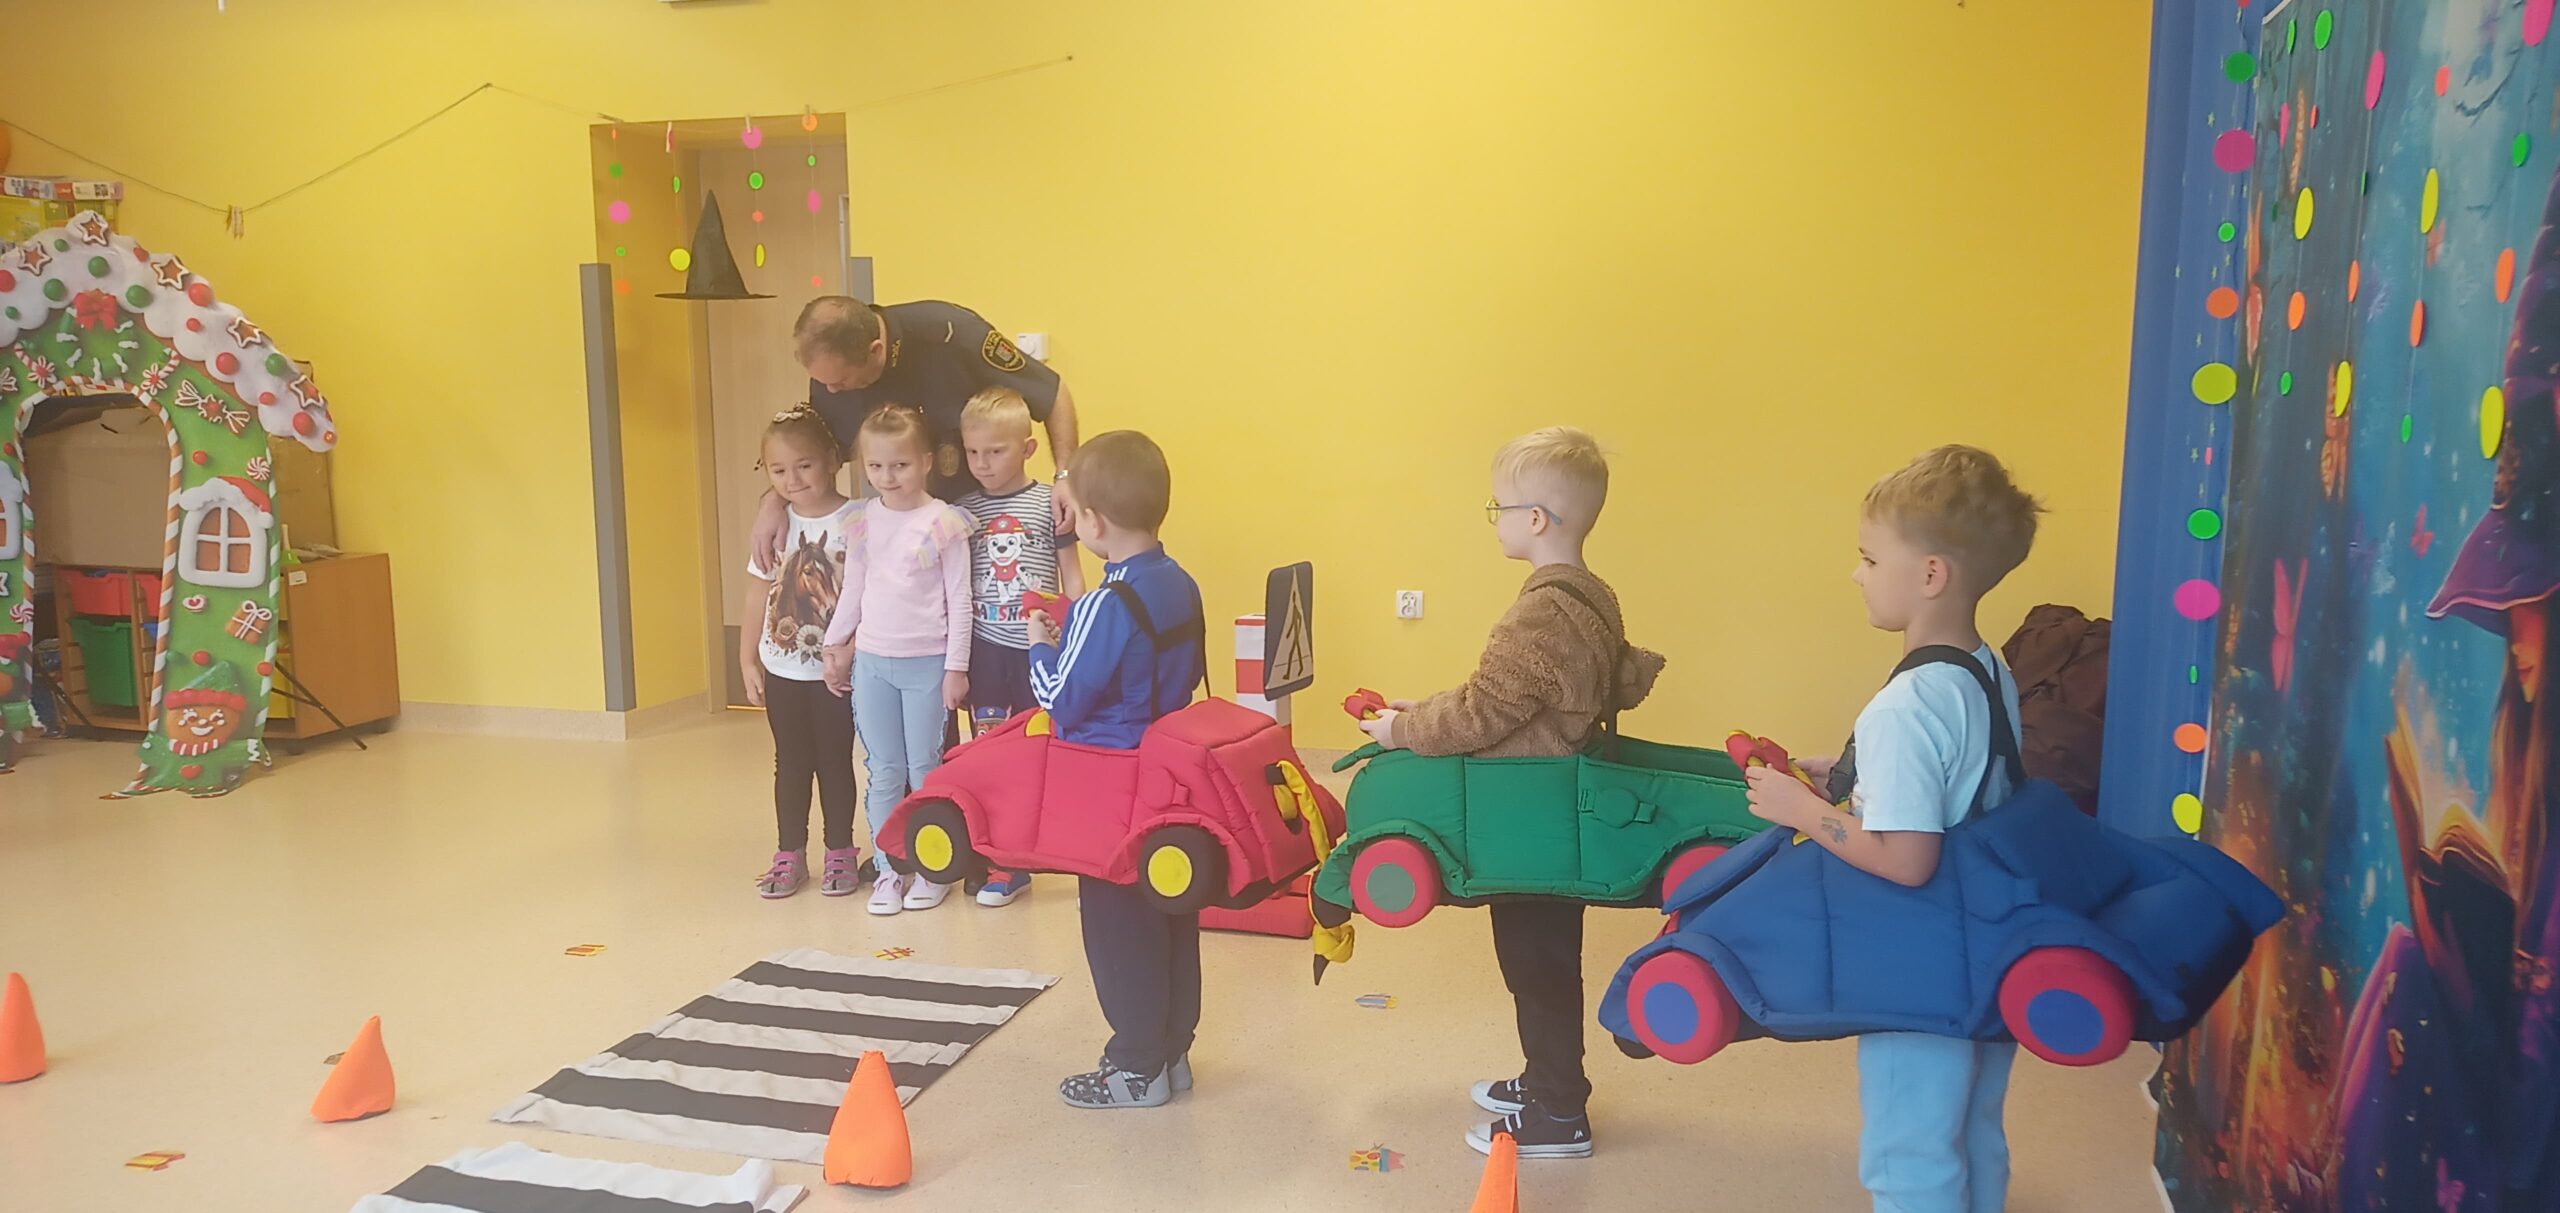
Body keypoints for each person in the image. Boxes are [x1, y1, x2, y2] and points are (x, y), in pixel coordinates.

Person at [1737, 444, 2040, 1213]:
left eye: (1870, 558)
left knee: (1908, 1150)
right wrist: (1851, 779)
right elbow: (1963, 782)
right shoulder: (1986, 668)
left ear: (1931, 574)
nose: (1856, 574)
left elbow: (1908, 860)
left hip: (1920, 963)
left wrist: (1806, 811)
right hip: (1988, 945)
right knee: (1973, 1129)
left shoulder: (1904, 707)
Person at [1356, 426, 1663, 1161]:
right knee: (1543, 956)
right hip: (1548, 809)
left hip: (1528, 818)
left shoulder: (1540, 612)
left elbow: (1480, 715)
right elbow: (1506, 697)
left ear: (1537, 519)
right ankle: (1547, 1079)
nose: (1493, 520)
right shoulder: (1588, 594)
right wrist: (1421, 709)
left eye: (1499, 508)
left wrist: (1403, 731)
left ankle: (1559, 1111)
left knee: (1536, 963)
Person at [1021, 431, 1207, 1109]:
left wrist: (1039, 645)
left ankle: (1134, 1067)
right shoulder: (1179, 581)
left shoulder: (1108, 601)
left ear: (1093, 522)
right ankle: (1171, 1052)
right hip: (1166, 775)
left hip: (1108, 787)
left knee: (1116, 927)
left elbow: (1061, 698)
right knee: (1169, 916)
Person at [758, 297, 1081, 568]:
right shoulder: (831, 374)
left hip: (980, 524)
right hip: (905, 537)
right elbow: (816, 455)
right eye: (823, 382)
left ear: (875, 350)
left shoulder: (951, 335)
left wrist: (1065, 476)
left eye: (841, 381)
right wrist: (774, 501)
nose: (831, 390)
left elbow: (1052, 395)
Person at [818, 406, 976, 917]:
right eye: (876, 466)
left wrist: (956, 668)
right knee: (883, 769)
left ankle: (933, 867)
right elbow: (854, 589)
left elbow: (960, 600)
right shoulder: (864, 520)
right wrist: (834, 645)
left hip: (927, 664)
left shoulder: (943, 523)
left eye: (901, 465)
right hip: (872, 662)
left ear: (926, 462)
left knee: (924, 767)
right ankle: (890, 869)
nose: (888, 477)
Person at [952, 386, 1087, 908]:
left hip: (1036, 652)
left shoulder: (1050, 503)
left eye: (996, 451)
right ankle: (1000, 857)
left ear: (1028, 449)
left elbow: (1072, 574)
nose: (982, 464)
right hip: (985, 653)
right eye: (973, 452)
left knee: (1035, 751)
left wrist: (1077, 631)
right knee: (990, 752)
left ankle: (1031, 848)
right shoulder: (961, 512)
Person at [740, 407, 864, 899]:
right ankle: (789, 852)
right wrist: (746, 659)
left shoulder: (859, 519)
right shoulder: (773, 525)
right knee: (790, 764)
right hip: (783, 669)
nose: (792, 480)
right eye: (778, 470)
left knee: (835, 762)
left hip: (837, 673)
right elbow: (756, 593)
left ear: (833, 460)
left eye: (804, 466)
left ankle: (840, 851)